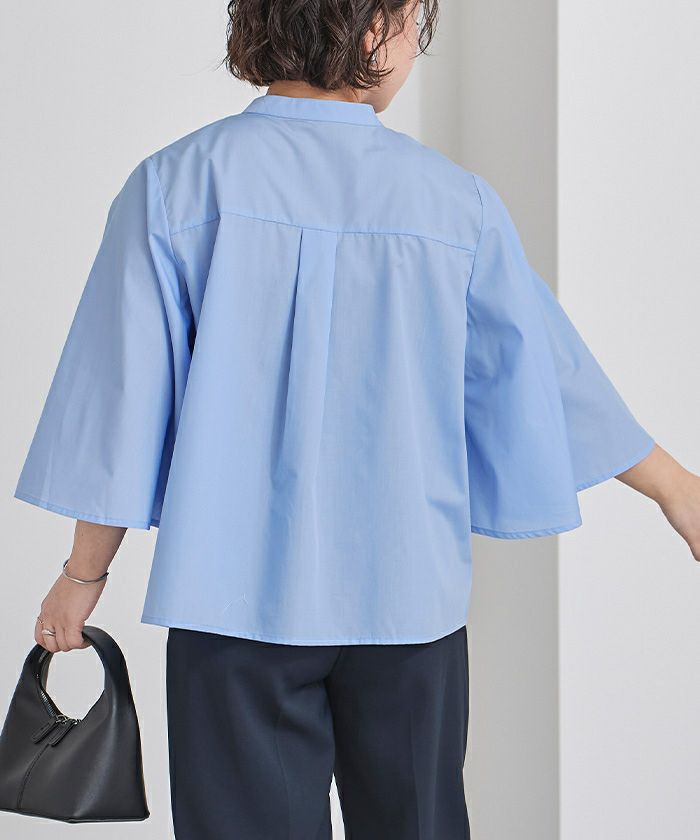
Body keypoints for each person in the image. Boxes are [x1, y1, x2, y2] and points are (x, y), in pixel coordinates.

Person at [13, 1, 699, 837]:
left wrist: (83, 577)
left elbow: (120, 403)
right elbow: (547, 373)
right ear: (372, 28)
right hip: (408, 603)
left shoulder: (174, 186)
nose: (415, 47)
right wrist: (676, 488)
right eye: (413, 24)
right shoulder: (456, 205)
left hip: (233, 606)